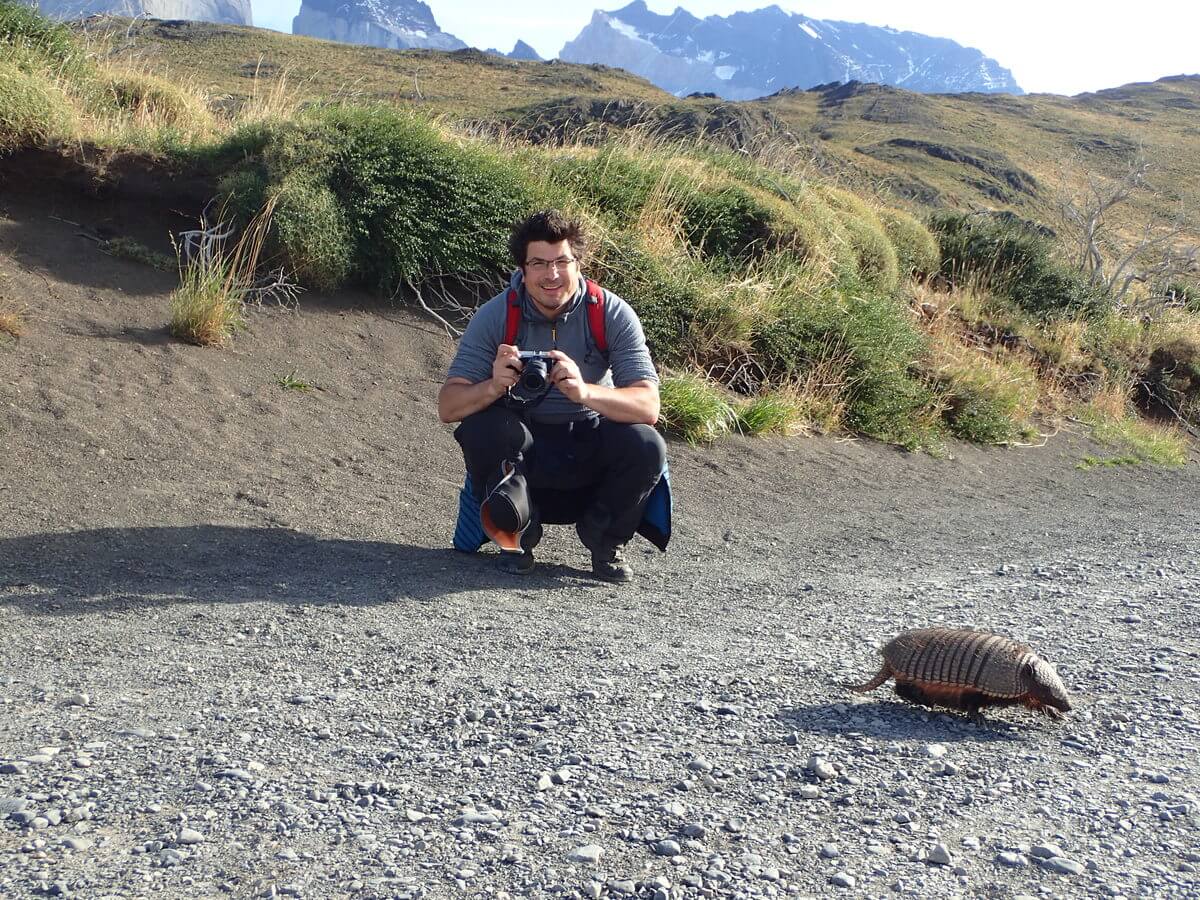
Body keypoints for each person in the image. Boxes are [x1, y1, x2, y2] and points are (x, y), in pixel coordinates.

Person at [438, 210, 667, 582]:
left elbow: (649, 405)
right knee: (483, 428)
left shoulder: (610, 313)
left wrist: (583, 391)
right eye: (539, 263)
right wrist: (495, 385)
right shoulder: (497, 316)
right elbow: (449, 406)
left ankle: (604, 540)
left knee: (646, 442)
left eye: (562, 261)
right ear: (522, 270)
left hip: (589, 452)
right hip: (524, 463)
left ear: (579, 264)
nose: (552, 274)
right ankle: (516, 538)